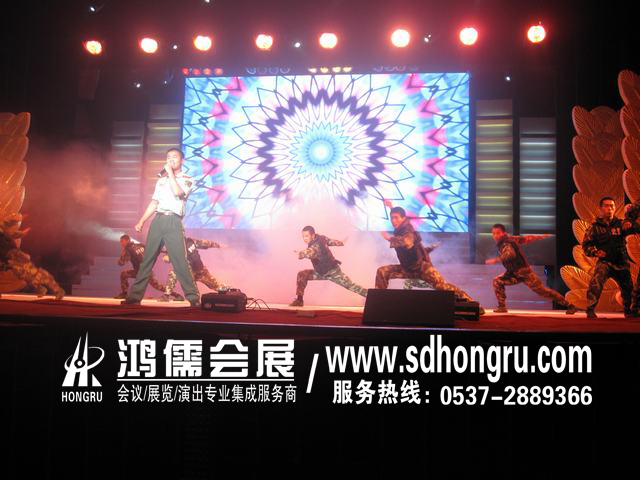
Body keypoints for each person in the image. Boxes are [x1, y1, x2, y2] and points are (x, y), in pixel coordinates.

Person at [122, 148, 200, 307]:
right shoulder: (161, 181)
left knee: (179, 261)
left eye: (174, 157)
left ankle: (193, 297)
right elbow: (154, 202)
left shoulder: (188, 179)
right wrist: (142, 221)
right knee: (147, 260)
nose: (171, 160)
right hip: (158, 220)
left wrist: (170, 173)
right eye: (168, 157)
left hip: (173, 221)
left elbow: (178, 193)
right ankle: (134, 297)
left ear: (182, 160)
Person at [375, 206, 482, 313]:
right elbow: (415, 248)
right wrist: (391, 206)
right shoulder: (400, 230)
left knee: (443, 287)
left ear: (403, 218)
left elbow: (407, 242)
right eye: (392, 218)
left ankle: (473, 304)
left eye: (396, 218)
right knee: (382, 272)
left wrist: (389, 238)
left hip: (422, 269)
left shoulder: (408, 230)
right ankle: (379, 304)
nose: (393, 221)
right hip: (407, 270)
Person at [486, 224, 577, 314]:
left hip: (524, 272)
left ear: (503, 233)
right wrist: (539, 237)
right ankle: (502, 307)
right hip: (513, 273)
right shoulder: (509, 239)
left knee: (542, 291)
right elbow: (524, 239)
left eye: (498, 233)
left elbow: (510, 255)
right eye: (493, 233)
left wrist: (496, 260)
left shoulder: (506, 242)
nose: (495, 236)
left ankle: (569, 305)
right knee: (497, 281)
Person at [582, 197, 634, 318]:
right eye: (606, 206)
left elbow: (633, 229)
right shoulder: (594, 227)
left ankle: (629, 310)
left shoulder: (621, 224)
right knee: (596, 282)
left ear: (615, 208)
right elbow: (586, 245)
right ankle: (590, 309)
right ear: (601, 208)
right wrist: (595, 252)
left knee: (628, 288)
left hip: (621, 261)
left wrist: (630, 225)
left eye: (612, 206)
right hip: (605, 262)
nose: (609, 208)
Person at [289, 226, 367, 307]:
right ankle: (299, 300)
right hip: (320, 273)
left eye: (306, 236)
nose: (304, 239)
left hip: (333, 273)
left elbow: (310, 252)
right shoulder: (322, 238)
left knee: (350, 286)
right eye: (303, 236)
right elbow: (331, 241)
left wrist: (301, 254)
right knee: (302, 274)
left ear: (313, 235)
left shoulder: (316, 246)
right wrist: (341, 243)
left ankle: (370, 295)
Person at [0, 213, 64, 299]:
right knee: (24, 275)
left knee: (32, 273)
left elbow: (9, 227)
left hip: (14, 256)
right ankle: (41, 288)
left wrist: (16, 220)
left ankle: (57, 290)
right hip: (5, 259)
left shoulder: (3, 229)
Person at [160, 237, 225, 302]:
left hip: (200, 272)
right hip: (187, 273)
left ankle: (228, 293)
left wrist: (218, 245)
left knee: (218, 287)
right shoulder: (173, 247)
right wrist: (167, 257)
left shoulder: (190, 241)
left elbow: (205, 243)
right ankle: (166, 295)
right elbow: (165, 253)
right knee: (174, 273)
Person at [115, 235, 164, 299]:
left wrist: (123, 252)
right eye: (120, 241)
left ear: (127, 240)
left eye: (122, 241)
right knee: (157, 286)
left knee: (123, 274)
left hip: (140, 272)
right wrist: (164, 251)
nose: (121, 243)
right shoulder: (140, 245)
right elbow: (151, 250)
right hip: (147, 270)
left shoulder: (128, 249)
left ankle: (125, 294)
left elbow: (121, 263)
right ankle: (174, 293)